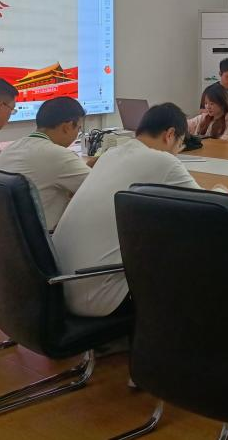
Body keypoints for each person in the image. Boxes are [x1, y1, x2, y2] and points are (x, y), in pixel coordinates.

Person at [53, 103, 199, 317]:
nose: (177, 151)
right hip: (97, 293)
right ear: (170, 135)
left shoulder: (110, 155)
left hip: (59, 285)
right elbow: (211, 209)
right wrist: (221, 189)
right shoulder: (163, 161)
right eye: (180, 144)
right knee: (185, 251)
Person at [0, 96, 92, 228]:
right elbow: (99, 189)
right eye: (78, 129)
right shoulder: (57, 154)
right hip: (44, 236)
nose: (77, 134)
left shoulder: (12, 147)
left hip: (9, 232)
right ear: (67, 127)